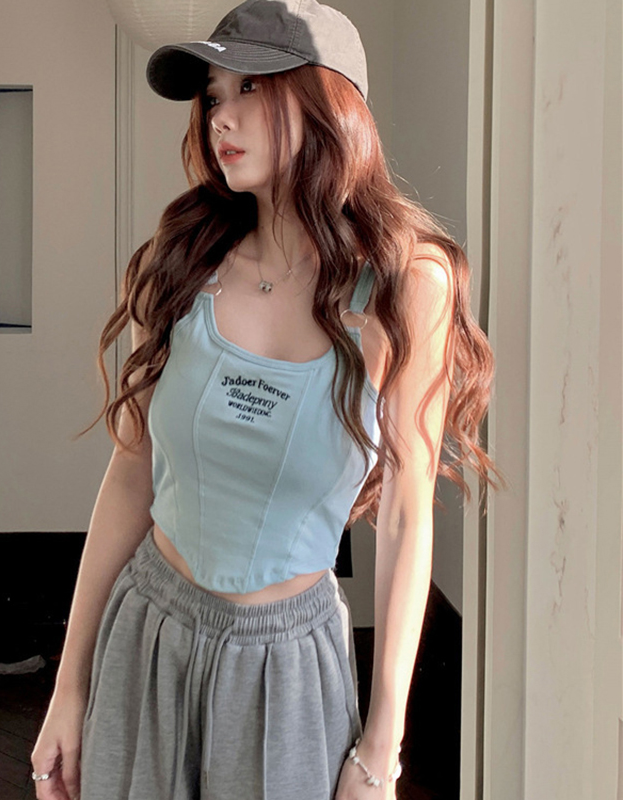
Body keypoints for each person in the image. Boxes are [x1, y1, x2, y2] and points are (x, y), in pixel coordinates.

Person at [30, 1, 505, 798]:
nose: (222, 115)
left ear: (328, 102)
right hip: (147, 631)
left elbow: (405, 515)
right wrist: (67, 689)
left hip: (286, 666)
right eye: (214, 95)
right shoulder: (185, 262)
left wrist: (381, 749)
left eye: (250, 87)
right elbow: (131, 472)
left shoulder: (403, 286)